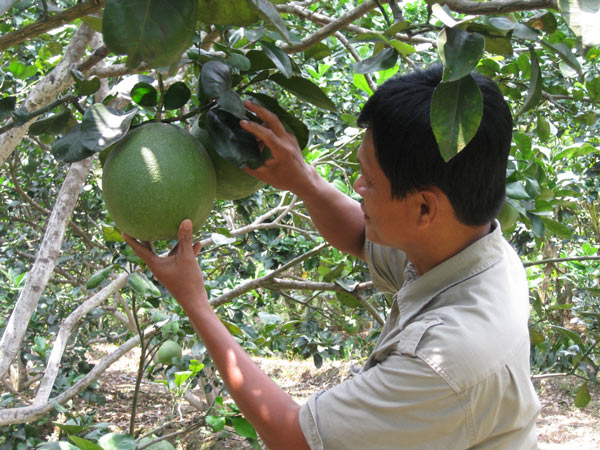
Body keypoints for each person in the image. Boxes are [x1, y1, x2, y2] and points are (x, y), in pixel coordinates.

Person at [124, 65, 541, 449]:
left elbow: (293, 438)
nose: (357, 186)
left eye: (370, 180)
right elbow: (362, 236)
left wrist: (194, 302)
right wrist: (301, 179)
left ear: (425, 209)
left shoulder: (444, 362)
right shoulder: (479, 253)